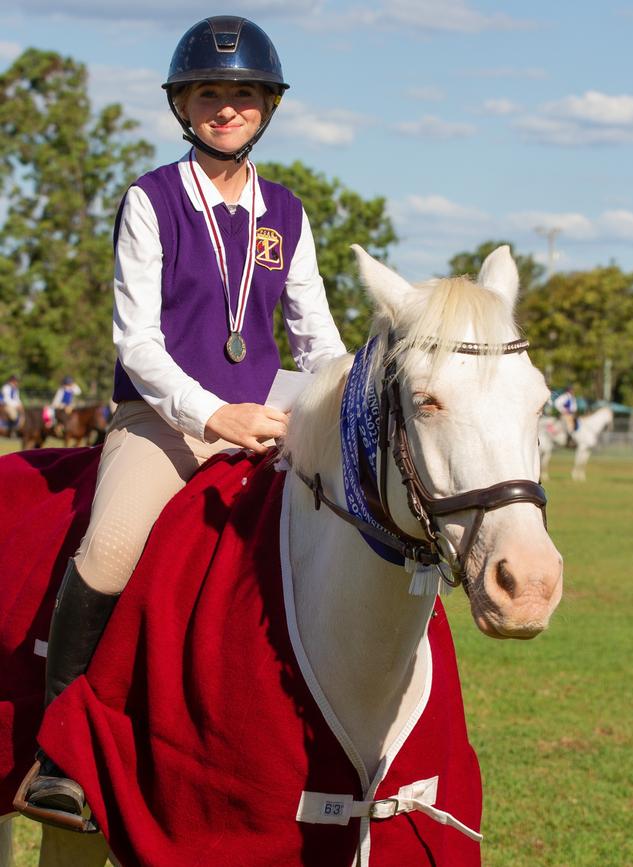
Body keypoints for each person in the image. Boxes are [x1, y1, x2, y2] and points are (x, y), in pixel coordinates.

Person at [16, 15, 346, 830]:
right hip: (161, 417)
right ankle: (60, 755)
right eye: (210, 93)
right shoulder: (151, 199)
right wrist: (212, 413)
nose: (225, 107)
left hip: (265, 419)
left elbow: (317, 333)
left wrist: (346, 396)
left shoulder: (288, 215)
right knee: (114, 544)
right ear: (184, 105)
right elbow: (138, 341)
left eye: (242, 94)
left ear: (266, 106)